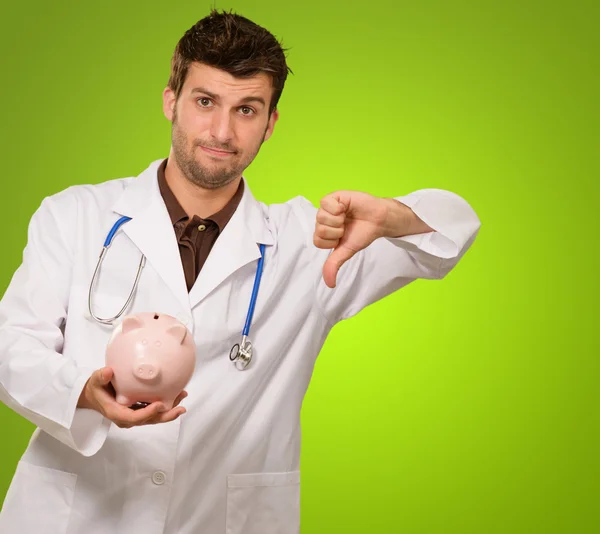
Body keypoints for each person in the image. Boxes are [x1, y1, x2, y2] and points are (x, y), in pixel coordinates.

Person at [0, 9, 481, 534]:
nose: (222, 131)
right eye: (205, 101)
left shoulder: (311, 241)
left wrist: (393, 215)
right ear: (171, 101)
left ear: (271, 123)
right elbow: (10, 348)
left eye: (247, 109)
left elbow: (454, 229)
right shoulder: (75, 215)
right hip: (72, 518)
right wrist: (82, 395)